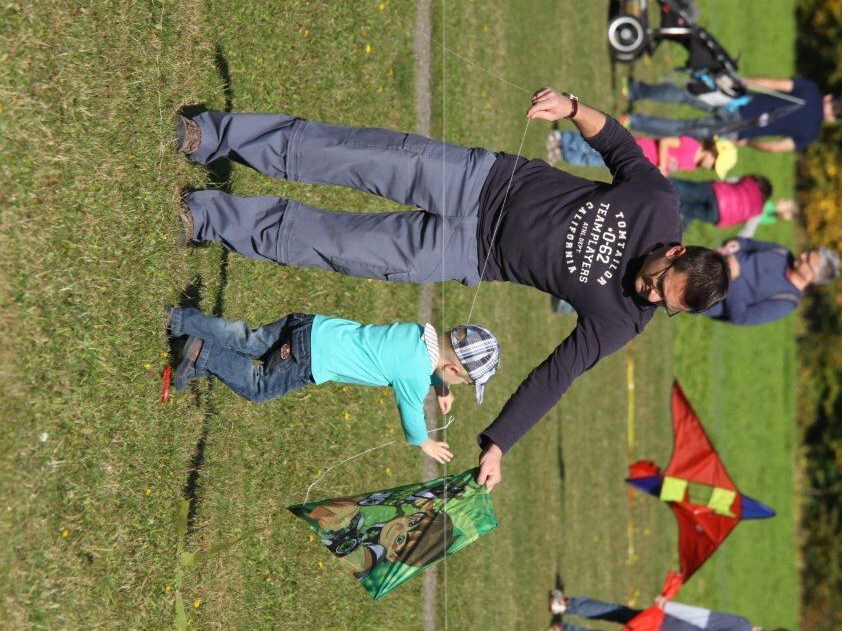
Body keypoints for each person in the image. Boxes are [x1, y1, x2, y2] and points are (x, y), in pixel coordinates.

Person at [174, 86, 731, 490]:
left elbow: (556, 374)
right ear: (674, 252)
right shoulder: (658, 204)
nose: (653, 298)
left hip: (467, 253)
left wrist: (499, 444)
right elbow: (619, 146)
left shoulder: (624, 319)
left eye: (667, 306)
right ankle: (212, 134)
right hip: (479, 179)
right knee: (345, 153)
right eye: (662, 285)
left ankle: (207, 219)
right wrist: (573, 108)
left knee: (334, 244)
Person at [167, 306, 500, 463]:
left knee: (251, 341)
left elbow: (420, 362)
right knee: (258, 386)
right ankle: (203, 353)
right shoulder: (414, 376)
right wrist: (422, 442)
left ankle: (182, 323)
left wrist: (440, 385)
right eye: (460, 380)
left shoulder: (419, 333)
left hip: (311, 326)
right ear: (452, 368)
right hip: (311, 360)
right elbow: (411, 409)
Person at [625, 76, 842, 153]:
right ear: (832, 118)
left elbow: (773, 84)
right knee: (684, 129)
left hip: (739, 102)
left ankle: (636, 91)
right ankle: (634, 120)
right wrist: (749, 142)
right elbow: (774, 147)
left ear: (829, 98)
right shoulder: (811, 134)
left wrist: (745, 81)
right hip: (741, 129)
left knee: (688, 95)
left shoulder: (810, 90)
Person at [702, 238, 840, 326]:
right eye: (807, 253)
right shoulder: (783, 252)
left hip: (707, 293)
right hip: (707, 260)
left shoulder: (786, 301)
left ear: (812, 277)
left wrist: (735, 278)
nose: (803, 255)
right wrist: (736, 244)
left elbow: (740, 317)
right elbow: (749, 244)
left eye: (807, 260)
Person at [548, 588, 768, 631]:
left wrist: (667, 604)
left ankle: (565, 605)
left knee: (619, 613)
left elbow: (703, 618)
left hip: (666, 625)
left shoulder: (742, 625)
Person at [548, 129, 737, 179]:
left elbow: (671, 166)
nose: (709, 167)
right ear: (714, 150)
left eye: (713, 168)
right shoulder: (692, 146)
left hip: (636, 161)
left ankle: (561, 153)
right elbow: (665, 141)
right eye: (713, 164)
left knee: (597, 160)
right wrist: (662, 165)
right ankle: (562, 138)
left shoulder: (692, 165)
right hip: (636, 148)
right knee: (595, 146)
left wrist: (662, 171)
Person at [669, 174, 773, 228]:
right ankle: (665, 205)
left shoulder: (753, 183)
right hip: (718, 216)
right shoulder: (758, 210)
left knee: (686, 188)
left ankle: (660, 181)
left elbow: (733, 180)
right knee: (686, 209)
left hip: (717, 194)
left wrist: (719, 182)